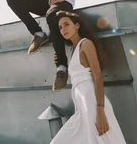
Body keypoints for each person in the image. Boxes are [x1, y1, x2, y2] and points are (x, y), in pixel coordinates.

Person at [50, 11, 126, 143]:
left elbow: (97, 77)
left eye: (66, 24)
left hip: (93, 104)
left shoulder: (86, 44)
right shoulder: (73, 50)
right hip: (82, 107)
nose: (63, 29)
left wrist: (100, 111)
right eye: (60, 27)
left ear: (77, 26)